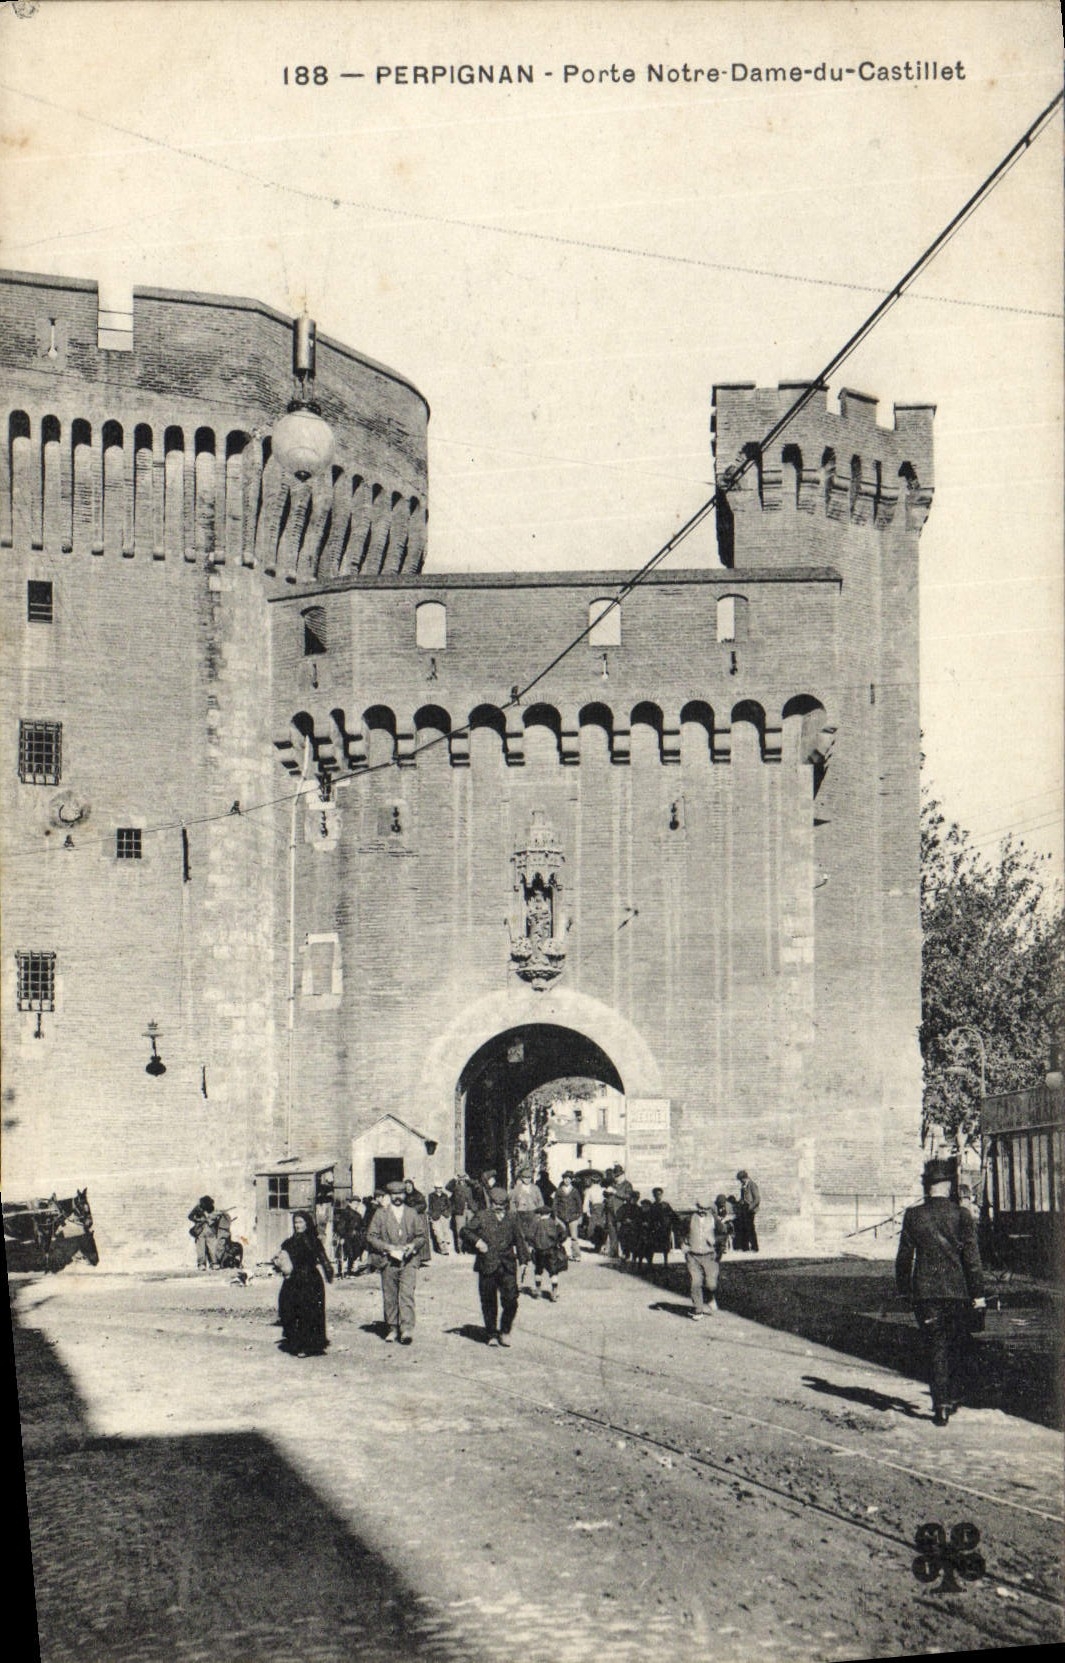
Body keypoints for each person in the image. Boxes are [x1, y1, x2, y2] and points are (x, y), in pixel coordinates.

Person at [895, 1156, 987, 1426]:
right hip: (957, 1292)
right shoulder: (962, 1215)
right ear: (948, 1186)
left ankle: (941, 1403)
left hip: (925, 1293)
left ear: (928, 1186)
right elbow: (972, 1259)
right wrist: (978, 1294)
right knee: (955, 1343)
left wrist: (903, 1290)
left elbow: (904, 1257)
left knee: (934, 1345)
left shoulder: (914, 1216)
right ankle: (951, 1396)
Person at [461, 1185, 530, 1346]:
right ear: (490, 1203)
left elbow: (519, 1239)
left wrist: (524, 1261)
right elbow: (465, 1231)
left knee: (511, 1300)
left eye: (501, 1205)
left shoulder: (512, 1217)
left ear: (506, 1204)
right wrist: (478, 1242)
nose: (497, 1207)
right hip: (487, 1264)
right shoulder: (482, 1216)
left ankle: (505, 1331)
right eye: (494, 1204)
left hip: (507, 1265)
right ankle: (491, 1333)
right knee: (489, 1301)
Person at [366, 1180, 430, 1344]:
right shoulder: (381, 1214)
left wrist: (413, 1246)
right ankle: (392, 1328)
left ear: (404, 1194)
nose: (397, 1197)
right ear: (390, 1196)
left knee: (407, 1294)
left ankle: (406, 1329)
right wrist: (386, 1247)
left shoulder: (412, 1213)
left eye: (400, 1194)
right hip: (388, 1261)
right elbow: (371, 1236)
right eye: (394, 1194)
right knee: (390, 1295)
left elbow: (421, 1235)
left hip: (409, 1261)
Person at [274, 1210, 334, 1356]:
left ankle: (309, 1346)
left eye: (301, 1222)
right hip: (293, 1280)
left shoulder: (314, 1241)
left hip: (311, 1280)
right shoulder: (289, 1242)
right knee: (290, 1309)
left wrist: (328, 1271)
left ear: (307, 1223)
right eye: (295, 1222)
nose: (297, 1225)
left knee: (309, 1312)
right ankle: (296, 1342)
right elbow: (282, 1259)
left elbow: (323, 1257)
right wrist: (277, 1263)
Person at [685, 1195, 729, 1319]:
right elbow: (680, 1232)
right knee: (695, 1282)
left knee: (711, 1284)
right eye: (700, 1207)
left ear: (709, 1209)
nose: (702, 1211)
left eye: (705, 1208)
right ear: (697, 1206)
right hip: (693, 1256)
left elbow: (724, 1233)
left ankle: (709, 1296)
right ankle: (698, 1310)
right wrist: (683, 1243)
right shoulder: (690, 1218)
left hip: (709, 1256)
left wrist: (715, 1240)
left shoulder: (714, 1219)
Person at [529, 1205, 569, 1301]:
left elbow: (529, 1235)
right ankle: (554, 1292)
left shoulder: (536, 1223)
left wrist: (533, 1244)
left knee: (538, 1270)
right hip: (552, 1250)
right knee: (553, 1272)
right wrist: (559, 1242)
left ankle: (538, 1290)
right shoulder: (554, 1223)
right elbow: (563, 1234)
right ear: (550, 1213)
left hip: (538, 1251)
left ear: (540, 1214)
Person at [552, 1171, 583, 1260]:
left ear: (571, 1180)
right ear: (563, 1179)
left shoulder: (575, 1191)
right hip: (561, 1217)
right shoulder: (559, 1190)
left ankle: (576, 1255)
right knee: (561, 1236)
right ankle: (560, 1254)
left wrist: (580, 1216)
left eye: (569, 1179)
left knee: (574, 1236)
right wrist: (556, 1216)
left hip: (573, 1217)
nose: (567, 1181)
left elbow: (579, 1204)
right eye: (565, 1179)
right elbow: (555, 1204)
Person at [734, 1169, 761, 1252]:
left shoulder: (752, 1185)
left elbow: (757, 1199)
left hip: (750, 1210)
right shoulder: (744, 1186)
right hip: (744, 1209)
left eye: (741, 1180)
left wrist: (750, 1208)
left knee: (750, 1228)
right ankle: (745, 1247)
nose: (740, 1182)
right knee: (744, 1228)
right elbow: (743, 1198)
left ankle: (754, 1247)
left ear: (744, 1178)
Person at [448, 1172, 475, 1252]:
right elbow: (448, 1187)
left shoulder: (469, 1186)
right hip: (459, 1211)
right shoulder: (456, 1187)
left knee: (470, 1230)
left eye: (463, 1177)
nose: (462, 1179)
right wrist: (454, 1179)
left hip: (470, 1210)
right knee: (460, 1230)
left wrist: (469, 1180)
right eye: (460, 1177)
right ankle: (460, 1249)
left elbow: (477, 1186)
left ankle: (469, 1249)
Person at [427, 1183, 452, 1255]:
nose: (439, 1189)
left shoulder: (445, 1195)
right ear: (435, 1188)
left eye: (440, 1188)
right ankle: (443, 1249)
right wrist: (431, 1215)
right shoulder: (431, 1196)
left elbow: (449, 1205)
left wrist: (448, 1213)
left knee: (445, 1232)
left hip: (444, 1215)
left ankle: (446, 1249)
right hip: (436, 1216)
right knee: (438, 1233)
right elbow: (430, 1207)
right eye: (437, 1188)